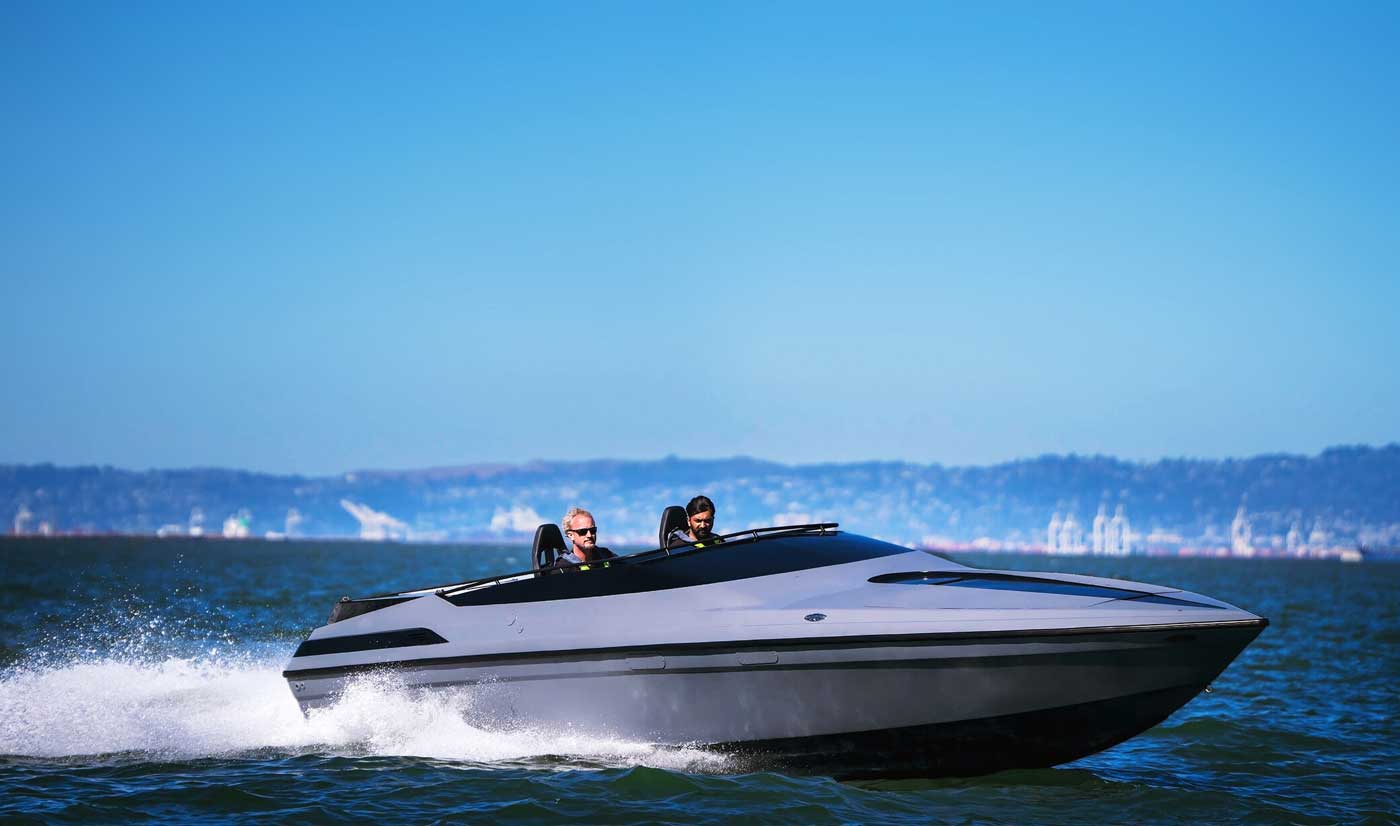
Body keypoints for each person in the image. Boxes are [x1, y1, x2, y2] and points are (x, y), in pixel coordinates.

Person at [554, 507, 617, 572]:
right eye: (582, 531)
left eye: (592, 530)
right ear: (571, 535)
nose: (589, 535)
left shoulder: (607, 555)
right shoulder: (563, 568)